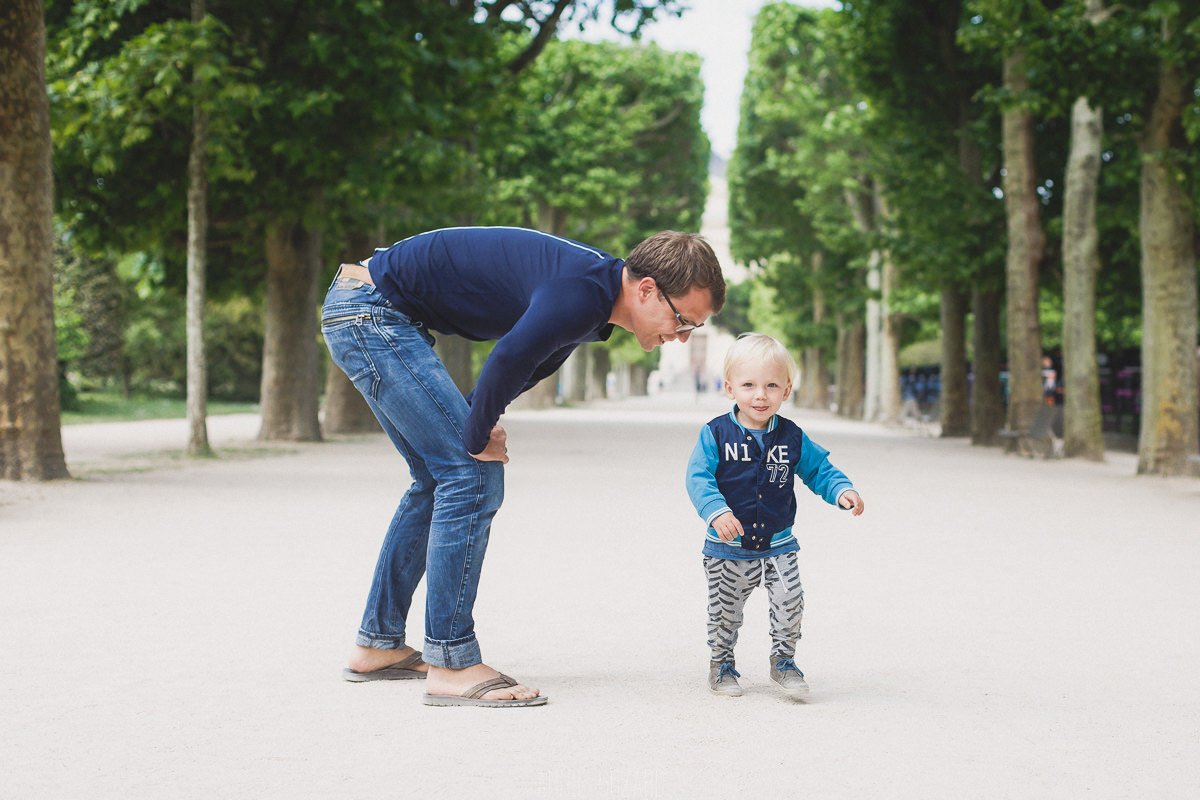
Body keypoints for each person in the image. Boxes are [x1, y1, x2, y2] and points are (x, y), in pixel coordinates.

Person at [322, 226, 725, 707]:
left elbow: (534, 363)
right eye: (683, 322)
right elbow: (509, 355)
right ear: (646, 290)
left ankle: (378, 646)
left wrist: (478, 419)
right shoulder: (580, 292)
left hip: (369, 309)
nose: (681, 338)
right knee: (470, 476)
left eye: (692, 330)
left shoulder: (593, 295)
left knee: (442, 477)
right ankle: (450, 662)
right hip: (372, 313)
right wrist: (474, 436)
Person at [685, 334, 864, 699]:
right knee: (725, 612)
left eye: (771, 385)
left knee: (790, 601)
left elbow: (818, 470)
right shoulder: (715, 434)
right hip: (727, 547)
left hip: (779, 543)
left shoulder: (791, 436)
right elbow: (698, 477)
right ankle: (721, 664)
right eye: (749, 385)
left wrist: (841, 490)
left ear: (787, 390)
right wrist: (715, 511)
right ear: (729, 387)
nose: (760, 395)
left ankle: (784, 661)